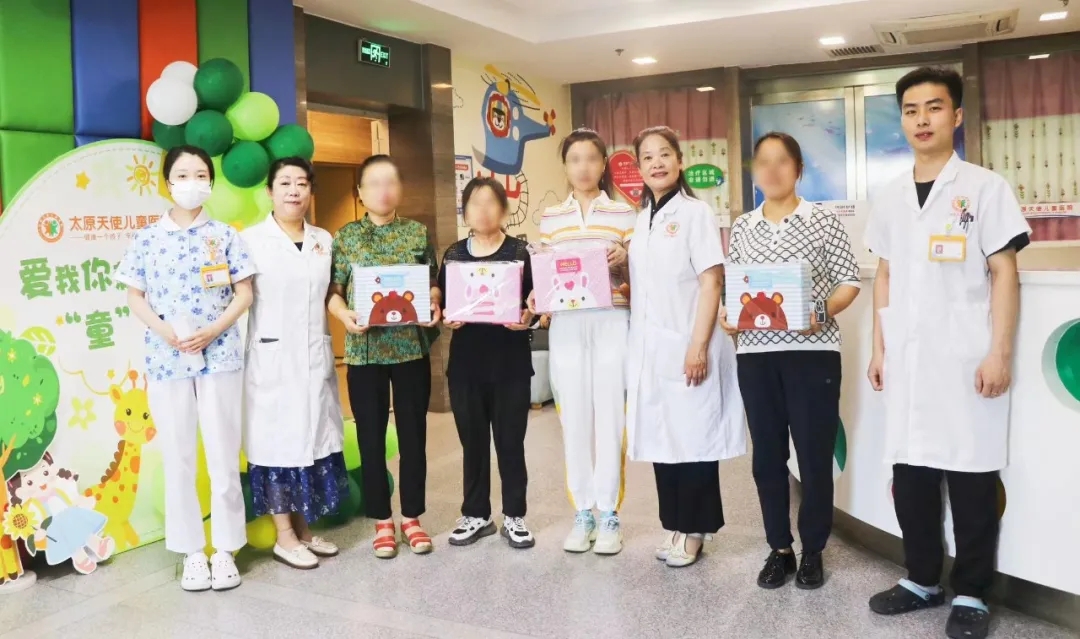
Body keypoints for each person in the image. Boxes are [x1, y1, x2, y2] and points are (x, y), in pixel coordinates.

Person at [864, 67, 1030, 639]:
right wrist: (879, 347)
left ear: (956, 116)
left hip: (964, 359)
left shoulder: (984, 188)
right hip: (907, 362)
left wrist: (998, 353)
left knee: (971, 480)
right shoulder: (889, 196)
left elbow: (1004, 273)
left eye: (934, 107)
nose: (922, 119)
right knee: (910, 477)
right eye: (911, 110)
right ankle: (920, 579)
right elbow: (885, 275)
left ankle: (973, 592)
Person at [720, 132, 860, 589]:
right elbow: (736, 288)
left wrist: (819, 313)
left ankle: (813, 549)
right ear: (754, 172)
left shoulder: (822, 220)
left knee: (814, 456)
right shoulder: (744, 226)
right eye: (763, 162)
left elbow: (849, 281)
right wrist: (728, 316)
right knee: (767, 458)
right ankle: (779, 548)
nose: (772, 170)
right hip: (756, 356)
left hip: (813, 354)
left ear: (798, 170)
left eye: (782, 161)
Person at [116, 145, 255, 591]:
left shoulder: (225, 235)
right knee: (178, 457)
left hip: (220, 356)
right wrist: (164, 331)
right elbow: (134, 295)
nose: (191, 182)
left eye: (200, 174)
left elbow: (245, 293)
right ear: (167, 182)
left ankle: (227, 549)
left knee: (223, 455)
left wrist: (213, 330)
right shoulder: (147, 238)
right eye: (182, 174)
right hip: (167, 358)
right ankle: (192, 552)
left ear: (210, 182)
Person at [625, 125, 746, 568]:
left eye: (664, 154)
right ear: (639, 168)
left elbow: (712, 280)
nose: (656, 163)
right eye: (647, 157)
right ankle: (674, 524)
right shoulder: (642, 219)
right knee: (663, 439)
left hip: (689, 342)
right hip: (652, 349)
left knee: (693, 440)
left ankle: (696, 530)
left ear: (679, 161)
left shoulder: (696, 213)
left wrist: (698, 346)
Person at [327, 154, 442, 559]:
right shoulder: (345, 237)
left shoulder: (416, 232)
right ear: (360, 192)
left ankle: (412, 517)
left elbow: (432, 282)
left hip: (410, 349)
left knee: (414, 436)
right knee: (371, 438)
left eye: (391, 181)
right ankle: (382, 520)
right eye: (373, 183)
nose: (383, 190)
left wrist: (433, 302)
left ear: (401, 189)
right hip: (365, 353)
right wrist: (344, 316)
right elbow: (334, 293)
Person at [533, 128, 636, 555]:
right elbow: (544, 278)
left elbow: (638, 280)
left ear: (603, 163)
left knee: (611, 415)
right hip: (568, 325)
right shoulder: (551, 218)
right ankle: (583, 512)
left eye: (591, 158)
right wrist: (536, 298)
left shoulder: (624, 214)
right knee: (573, 417)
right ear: (565, 166)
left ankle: (609, 513)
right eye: (574, 159)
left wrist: (625, 260)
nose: (583, 167)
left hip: (612, 319)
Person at [241, 158, 348, 570]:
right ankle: (284, 537)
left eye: (302, 183)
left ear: (310, 191)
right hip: (271, 359)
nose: (293, 191)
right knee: (276, 446)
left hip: (313, 357)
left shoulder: (323, 240)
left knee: (310, 441)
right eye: (284, 183)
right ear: (269, 191)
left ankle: (303, 530)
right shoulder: (250, 241)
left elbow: (330, 293)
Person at [439, 177, 536, 549]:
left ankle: (515, 516)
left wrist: (529, 318)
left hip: (511, 364)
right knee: (473, 443)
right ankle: (477, 514)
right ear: (465, 211)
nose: (482, 210)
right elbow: (442, 300)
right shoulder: (454, 255)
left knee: (511, 443)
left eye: (490, 202)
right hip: (466, 366)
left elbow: (538, 302)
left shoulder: (521, 252)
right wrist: (445, 316)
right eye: (474, 203)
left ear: (504, 210)